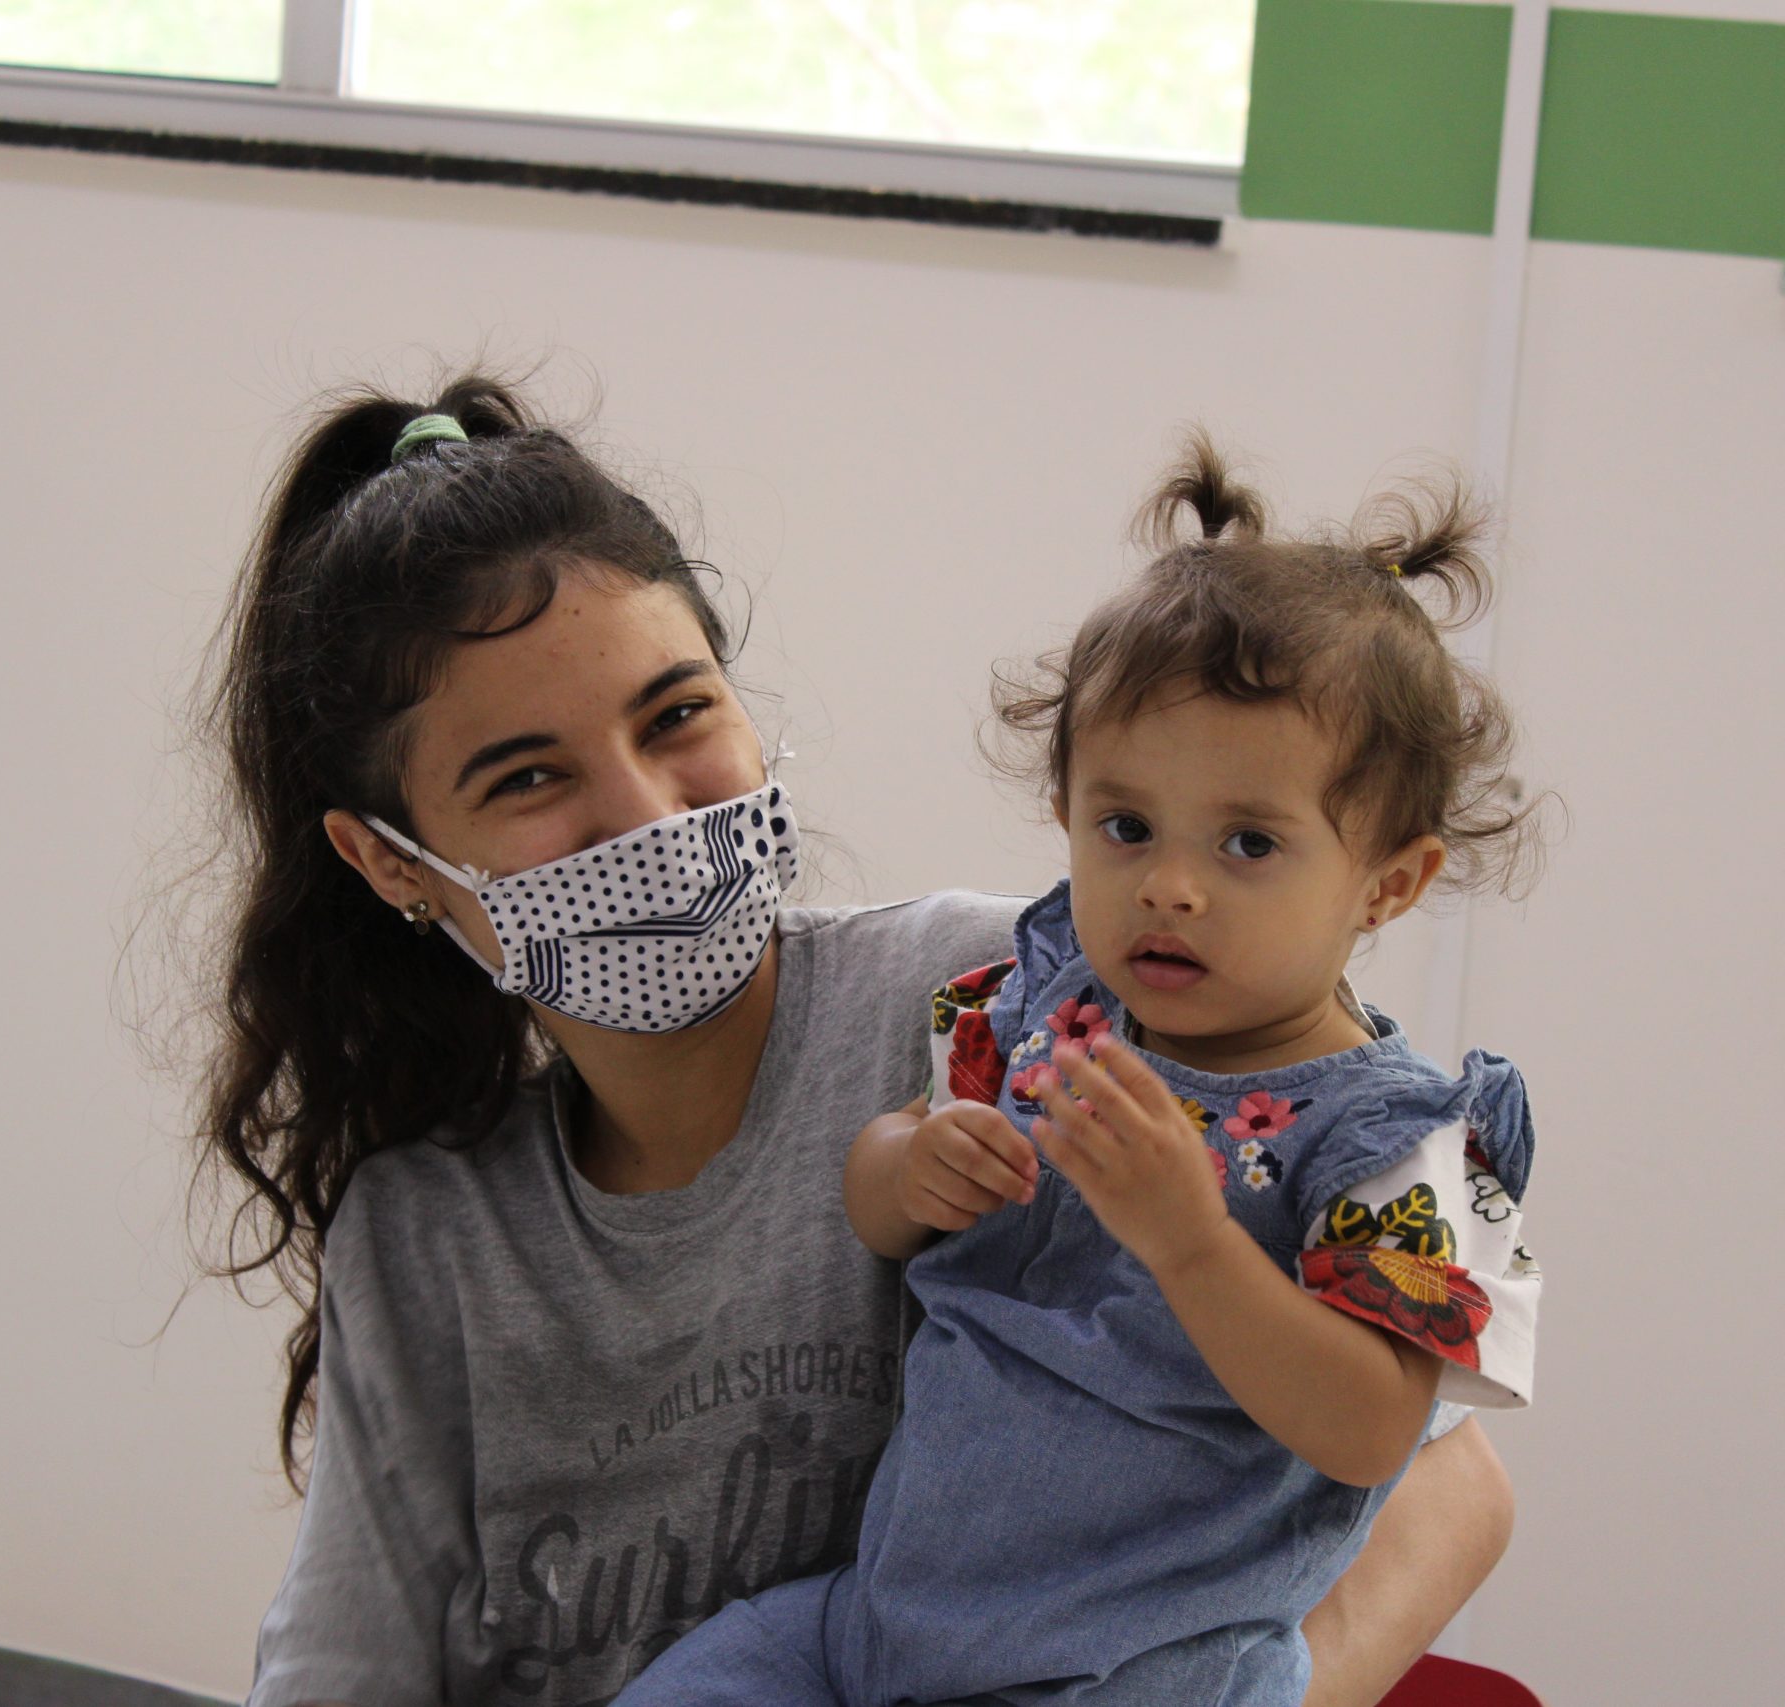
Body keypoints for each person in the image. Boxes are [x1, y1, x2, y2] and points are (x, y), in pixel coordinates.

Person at [205, 378, 1518, 1707]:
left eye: (676, 714)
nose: (647, 812)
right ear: (391, 861)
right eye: (528, 776)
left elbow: (1444, 1478)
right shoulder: (426, 1225)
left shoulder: (1042, 1005)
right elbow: (339, 1669)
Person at [618, 434, 1544, 1706]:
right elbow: (875, 1199)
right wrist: (912, 1164)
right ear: (1065, 813)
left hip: (1127, 1677)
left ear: (1389, 883)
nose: (1170, 884)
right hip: (876, 1623)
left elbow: (1373, 1431)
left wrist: (1191, 1243)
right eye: (1127, 826)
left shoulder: (1401, 1147)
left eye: (1248, 843)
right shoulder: (1038, 1010)